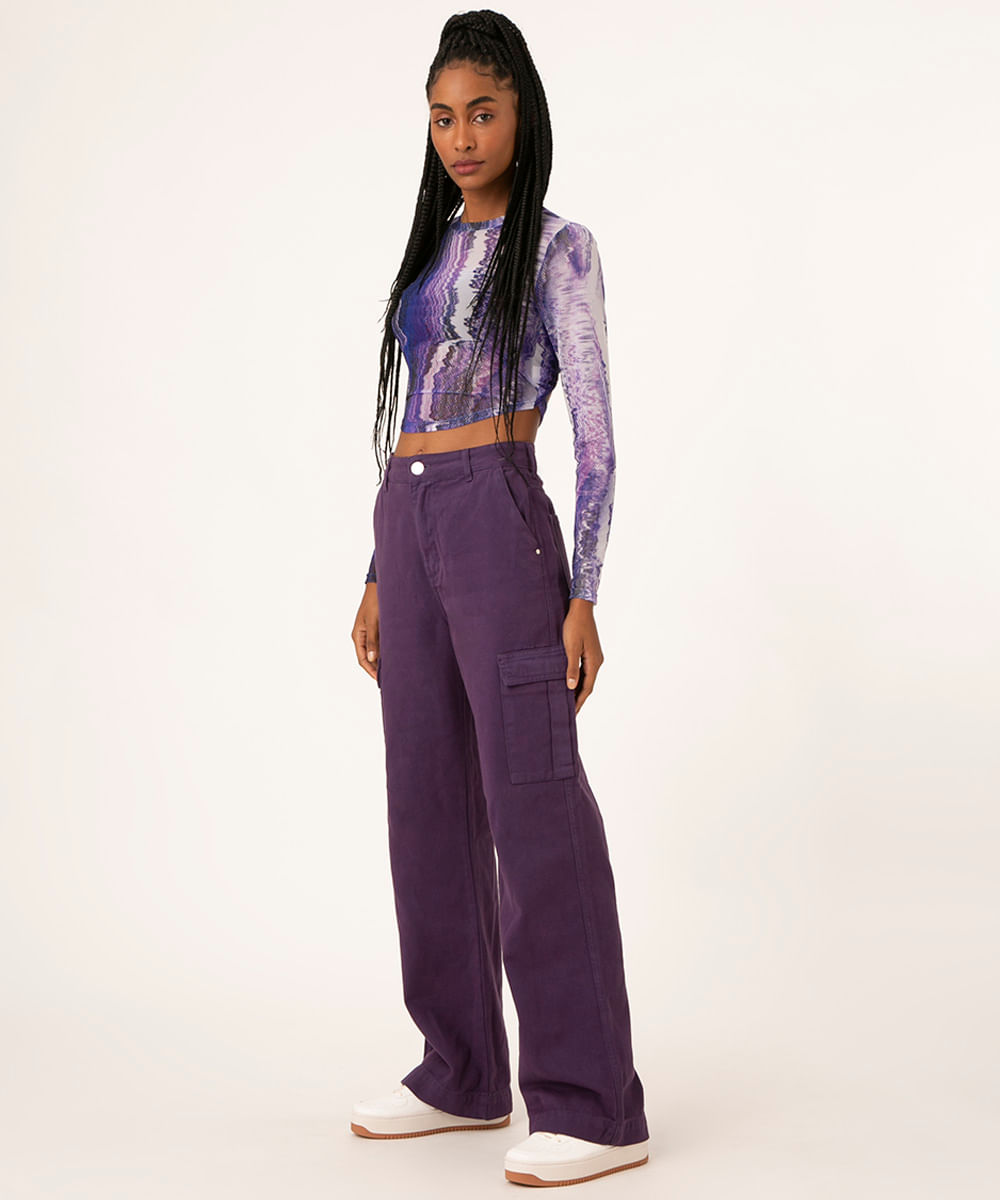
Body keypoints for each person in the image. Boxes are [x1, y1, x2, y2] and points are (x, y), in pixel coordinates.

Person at [348, 10, 650, 1188]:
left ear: (522, 115)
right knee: (423, 800)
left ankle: (593, 1103)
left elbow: (597, 437)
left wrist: (584, 593)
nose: (461, 136)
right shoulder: (433, 253)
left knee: (534, 801)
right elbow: (415, 409)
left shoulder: (560, 248)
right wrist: (378, 570)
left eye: (481, 112)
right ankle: (459, 1070)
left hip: (498, 516)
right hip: (411, 514)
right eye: (442, 117)